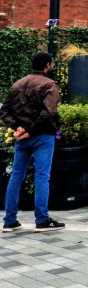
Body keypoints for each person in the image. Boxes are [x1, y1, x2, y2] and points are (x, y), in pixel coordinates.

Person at [1, 52, 64, 233]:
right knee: (42, 176)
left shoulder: (18, 84)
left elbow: (4, 111)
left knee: (16, 176)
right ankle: (42, 220)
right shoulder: (49, 85)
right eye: (51, 64)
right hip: (42, 135)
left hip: (23, 137)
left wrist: (18, 127)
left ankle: (9, 220)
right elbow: (48, 112)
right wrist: (30, 130)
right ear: (47, 65)